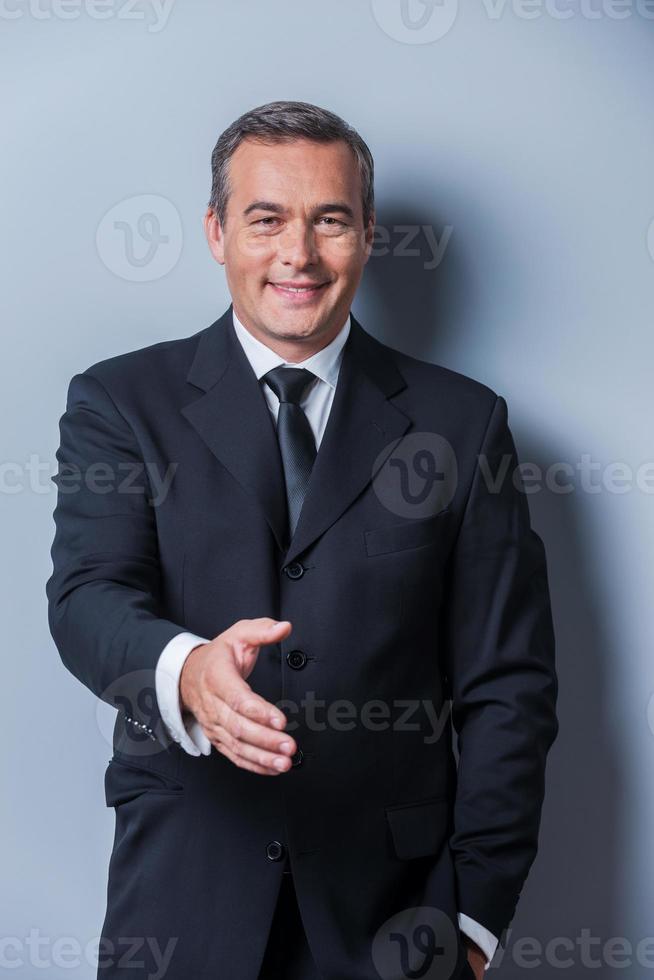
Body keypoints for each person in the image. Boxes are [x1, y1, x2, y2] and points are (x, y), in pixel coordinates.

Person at [46, 100, 559, 980]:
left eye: (331, 220)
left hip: (395, 923)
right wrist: (187, 671)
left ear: (367, 235)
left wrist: (474, 918)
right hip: (183, 904)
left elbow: (508, 684)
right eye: (266, 219)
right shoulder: (121, 403)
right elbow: (87, 600)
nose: (299, 254)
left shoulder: (463, 424)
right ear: (216, 231)